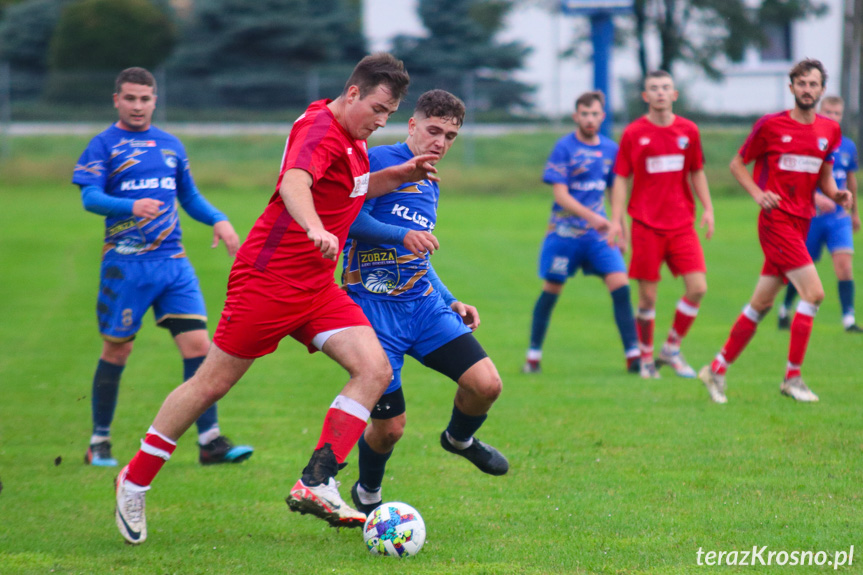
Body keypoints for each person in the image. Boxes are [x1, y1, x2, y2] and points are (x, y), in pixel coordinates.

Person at [112, 53, 440, 545]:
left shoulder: (352, 142)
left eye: (389, 114)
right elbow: (295, 183)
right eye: (377, 108)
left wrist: (403, 173)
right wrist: (313, 227)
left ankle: (317, 482)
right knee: (210, 385)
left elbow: (355, 188)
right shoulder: (318, 128)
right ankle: (134, 479)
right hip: (268, 282)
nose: (381, 121)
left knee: (374, 371)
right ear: (353, 93)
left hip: (315, 289)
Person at [73, 67, 253, 468]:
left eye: (145, 98)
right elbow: (89, 198)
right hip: (126, 265)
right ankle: (99, 441)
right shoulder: (104, 145)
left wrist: (219, 219)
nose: (138, 106)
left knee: (200, 348)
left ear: (155, 100)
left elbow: (188, 196)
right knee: (118, 350)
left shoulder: (170, 145)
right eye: (130, 98)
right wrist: (129, 206)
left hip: (173, 264)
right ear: (117, 100)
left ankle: (210, 441)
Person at [340, 89, 508, 515]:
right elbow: (346, 218)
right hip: (374, 315)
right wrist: (400, 235)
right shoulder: (380, 161)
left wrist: (451, 300)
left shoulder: (430, 180)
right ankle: (368, 495)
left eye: (450, 136)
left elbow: (418, 253)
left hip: (425, 307)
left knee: (486, 385)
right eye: (434, 130)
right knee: (390, 429)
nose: (441, 142)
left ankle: (458, 440)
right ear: (412, 125)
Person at [698, 59, 852, 404]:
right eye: (801, 83)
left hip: (802, 221)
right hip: (776, 221)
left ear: (822, 90)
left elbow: (823, 176)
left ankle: (716, 369)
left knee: (762, 303)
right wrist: (758, 194)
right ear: (792, 87)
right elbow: (737, 163)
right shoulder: (770, 126)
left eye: (813, 84)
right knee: (813, 294)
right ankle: (792, 378)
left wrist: (837, 193)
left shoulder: (830, 131)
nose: (807, 90)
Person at [607, 70, 715, 379]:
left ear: (675, 94)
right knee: (648, 299)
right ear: (645, 96)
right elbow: (621, 178)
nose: (660, 93)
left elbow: (696, 171)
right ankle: (645, 360)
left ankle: (671, 348)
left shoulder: (688, 131)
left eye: (665, 87)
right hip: (646, 225)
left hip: (682, 224)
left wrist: (708, 208)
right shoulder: (633, 133)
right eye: (653, 88)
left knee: (698, 288)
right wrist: (616, 220)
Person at [522, 91, 639, 375]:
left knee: (621, 286)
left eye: (595, 114)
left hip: (599, 238)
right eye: (584, 114)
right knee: (551, 291)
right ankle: (533, 356)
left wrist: (620, 229)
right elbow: (560, 195)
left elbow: (616, 192)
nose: (590, 119)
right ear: (576, 117)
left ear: (603, 115)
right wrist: (594, 218)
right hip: (565, 235)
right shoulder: (564, 148)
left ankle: (634, 356)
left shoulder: (611, 149)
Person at [777, 95, 860, 332]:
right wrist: (816, 197)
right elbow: (796, 179)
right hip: (811, 217)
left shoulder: (848, 146)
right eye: (829, 112)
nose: (833, 117)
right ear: (820, 112)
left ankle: (848, 319)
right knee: (805, 267)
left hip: (838, 218)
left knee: (844, 266)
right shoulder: (811, 141)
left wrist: (855, 213)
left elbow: (850, 181)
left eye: (838, 113)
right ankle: (785, 307)